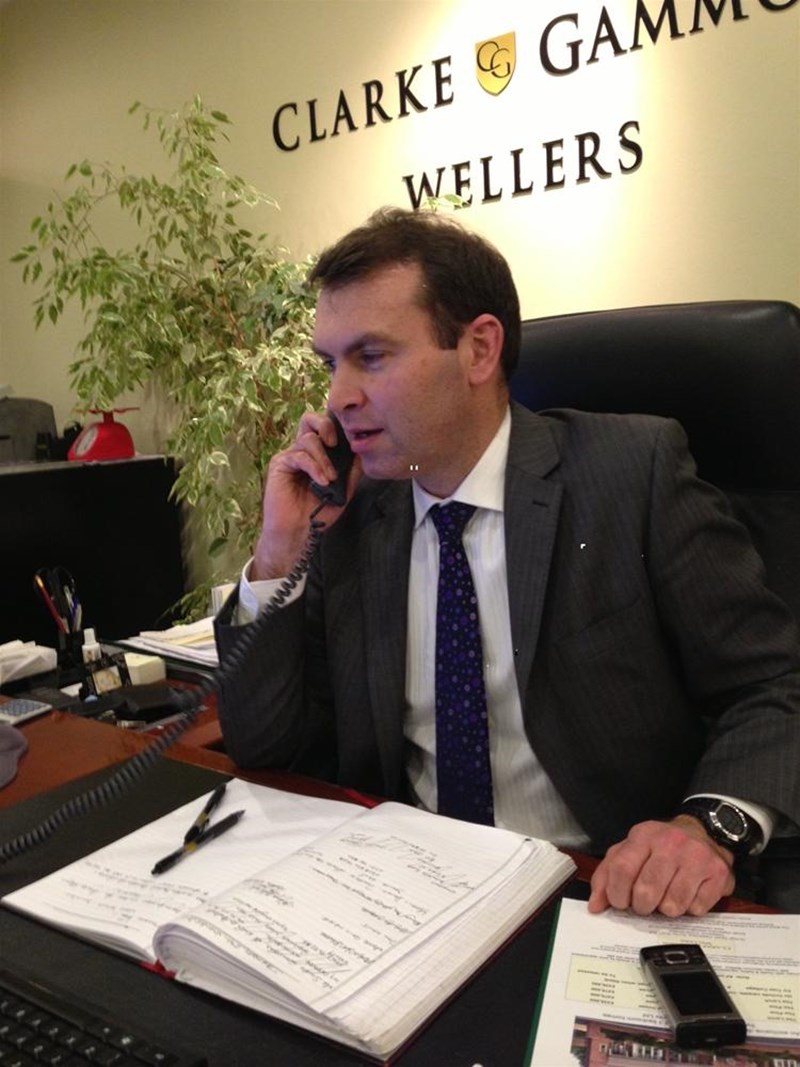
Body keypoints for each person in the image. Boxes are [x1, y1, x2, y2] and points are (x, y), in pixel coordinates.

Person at [215, 207, 800, 917]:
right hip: (404, 890)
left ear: (479, 349)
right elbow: (265, 747)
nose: (339, 398)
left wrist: (706, 827)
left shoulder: (631, 473)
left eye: (371, 356)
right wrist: (278, 552)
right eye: (330, 364)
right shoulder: (351, 515)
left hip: (602, 887)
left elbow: (771, 686)